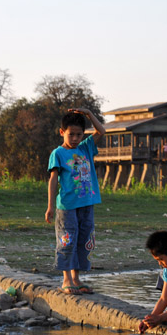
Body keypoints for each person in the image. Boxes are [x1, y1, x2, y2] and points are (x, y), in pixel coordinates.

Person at [45, 108, 106, 295]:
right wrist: (50, 207)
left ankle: (77, 279)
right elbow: (53, 180)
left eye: (79, 134)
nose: (75, 138)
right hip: (67, 206)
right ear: (62, 132)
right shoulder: (58, 153)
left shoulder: (85, 147)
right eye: (71, 134)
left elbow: (101, 131)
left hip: (87, 204)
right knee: (67, 240)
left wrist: (88, 113)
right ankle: (66, 280)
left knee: (83, 240)